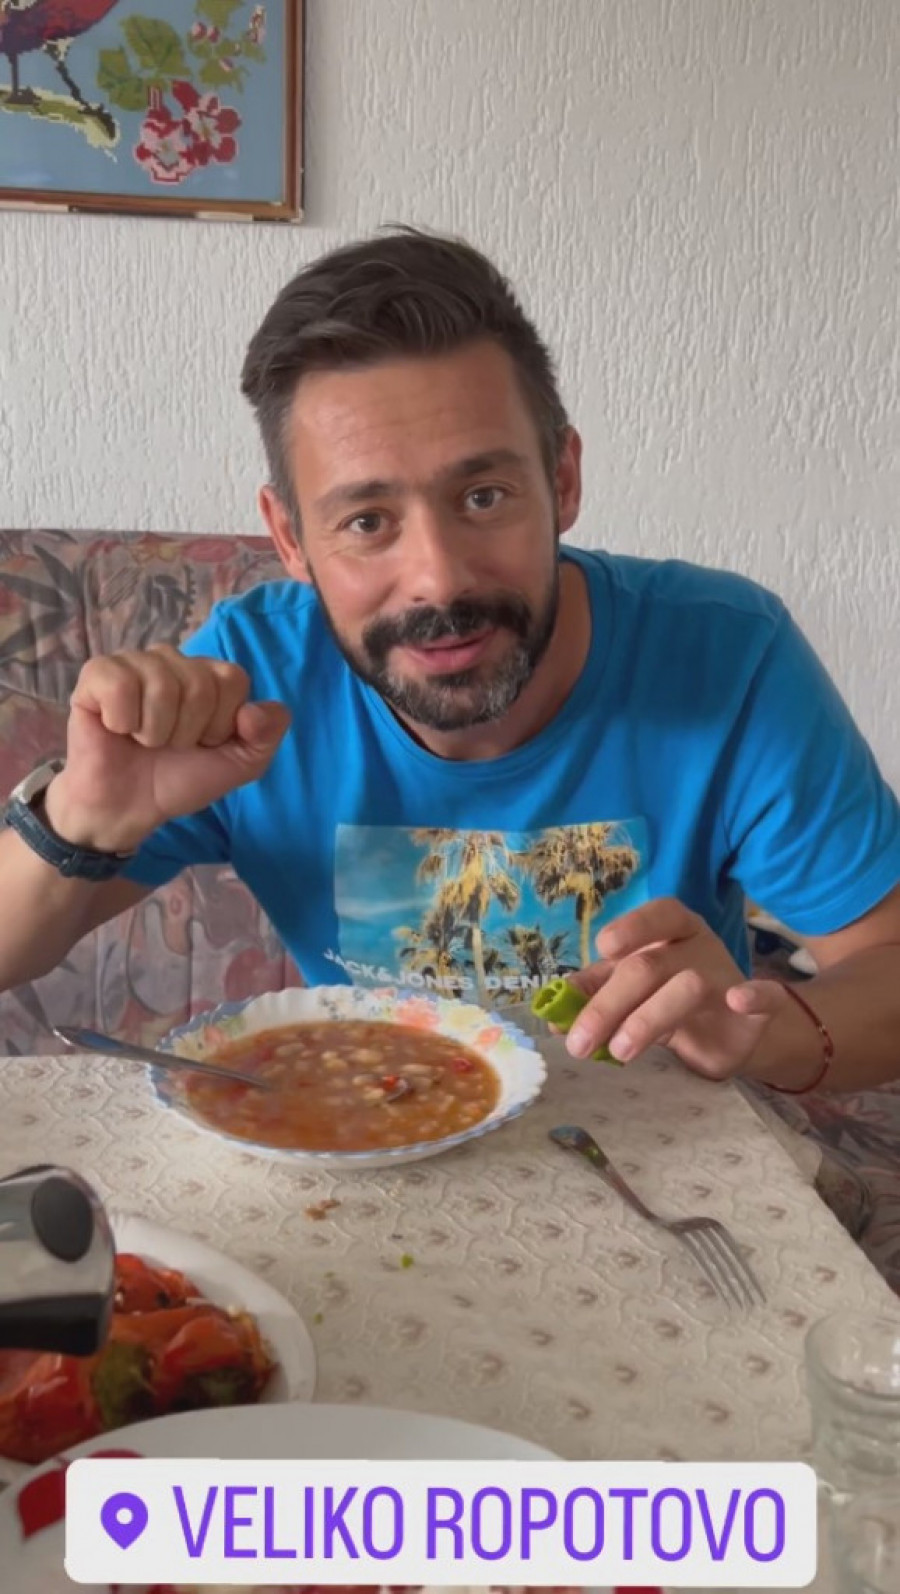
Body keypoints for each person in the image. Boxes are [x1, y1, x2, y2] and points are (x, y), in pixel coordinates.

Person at [2, 228, 899, 1094]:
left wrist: (770, 1031)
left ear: (563, 480)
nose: (439, 579)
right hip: (366, 1137)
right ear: (290, 537)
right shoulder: (249, 677)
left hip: (665, 1154)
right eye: (367, 521)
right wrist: (80, 819)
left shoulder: (727, 653)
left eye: (483, 496)